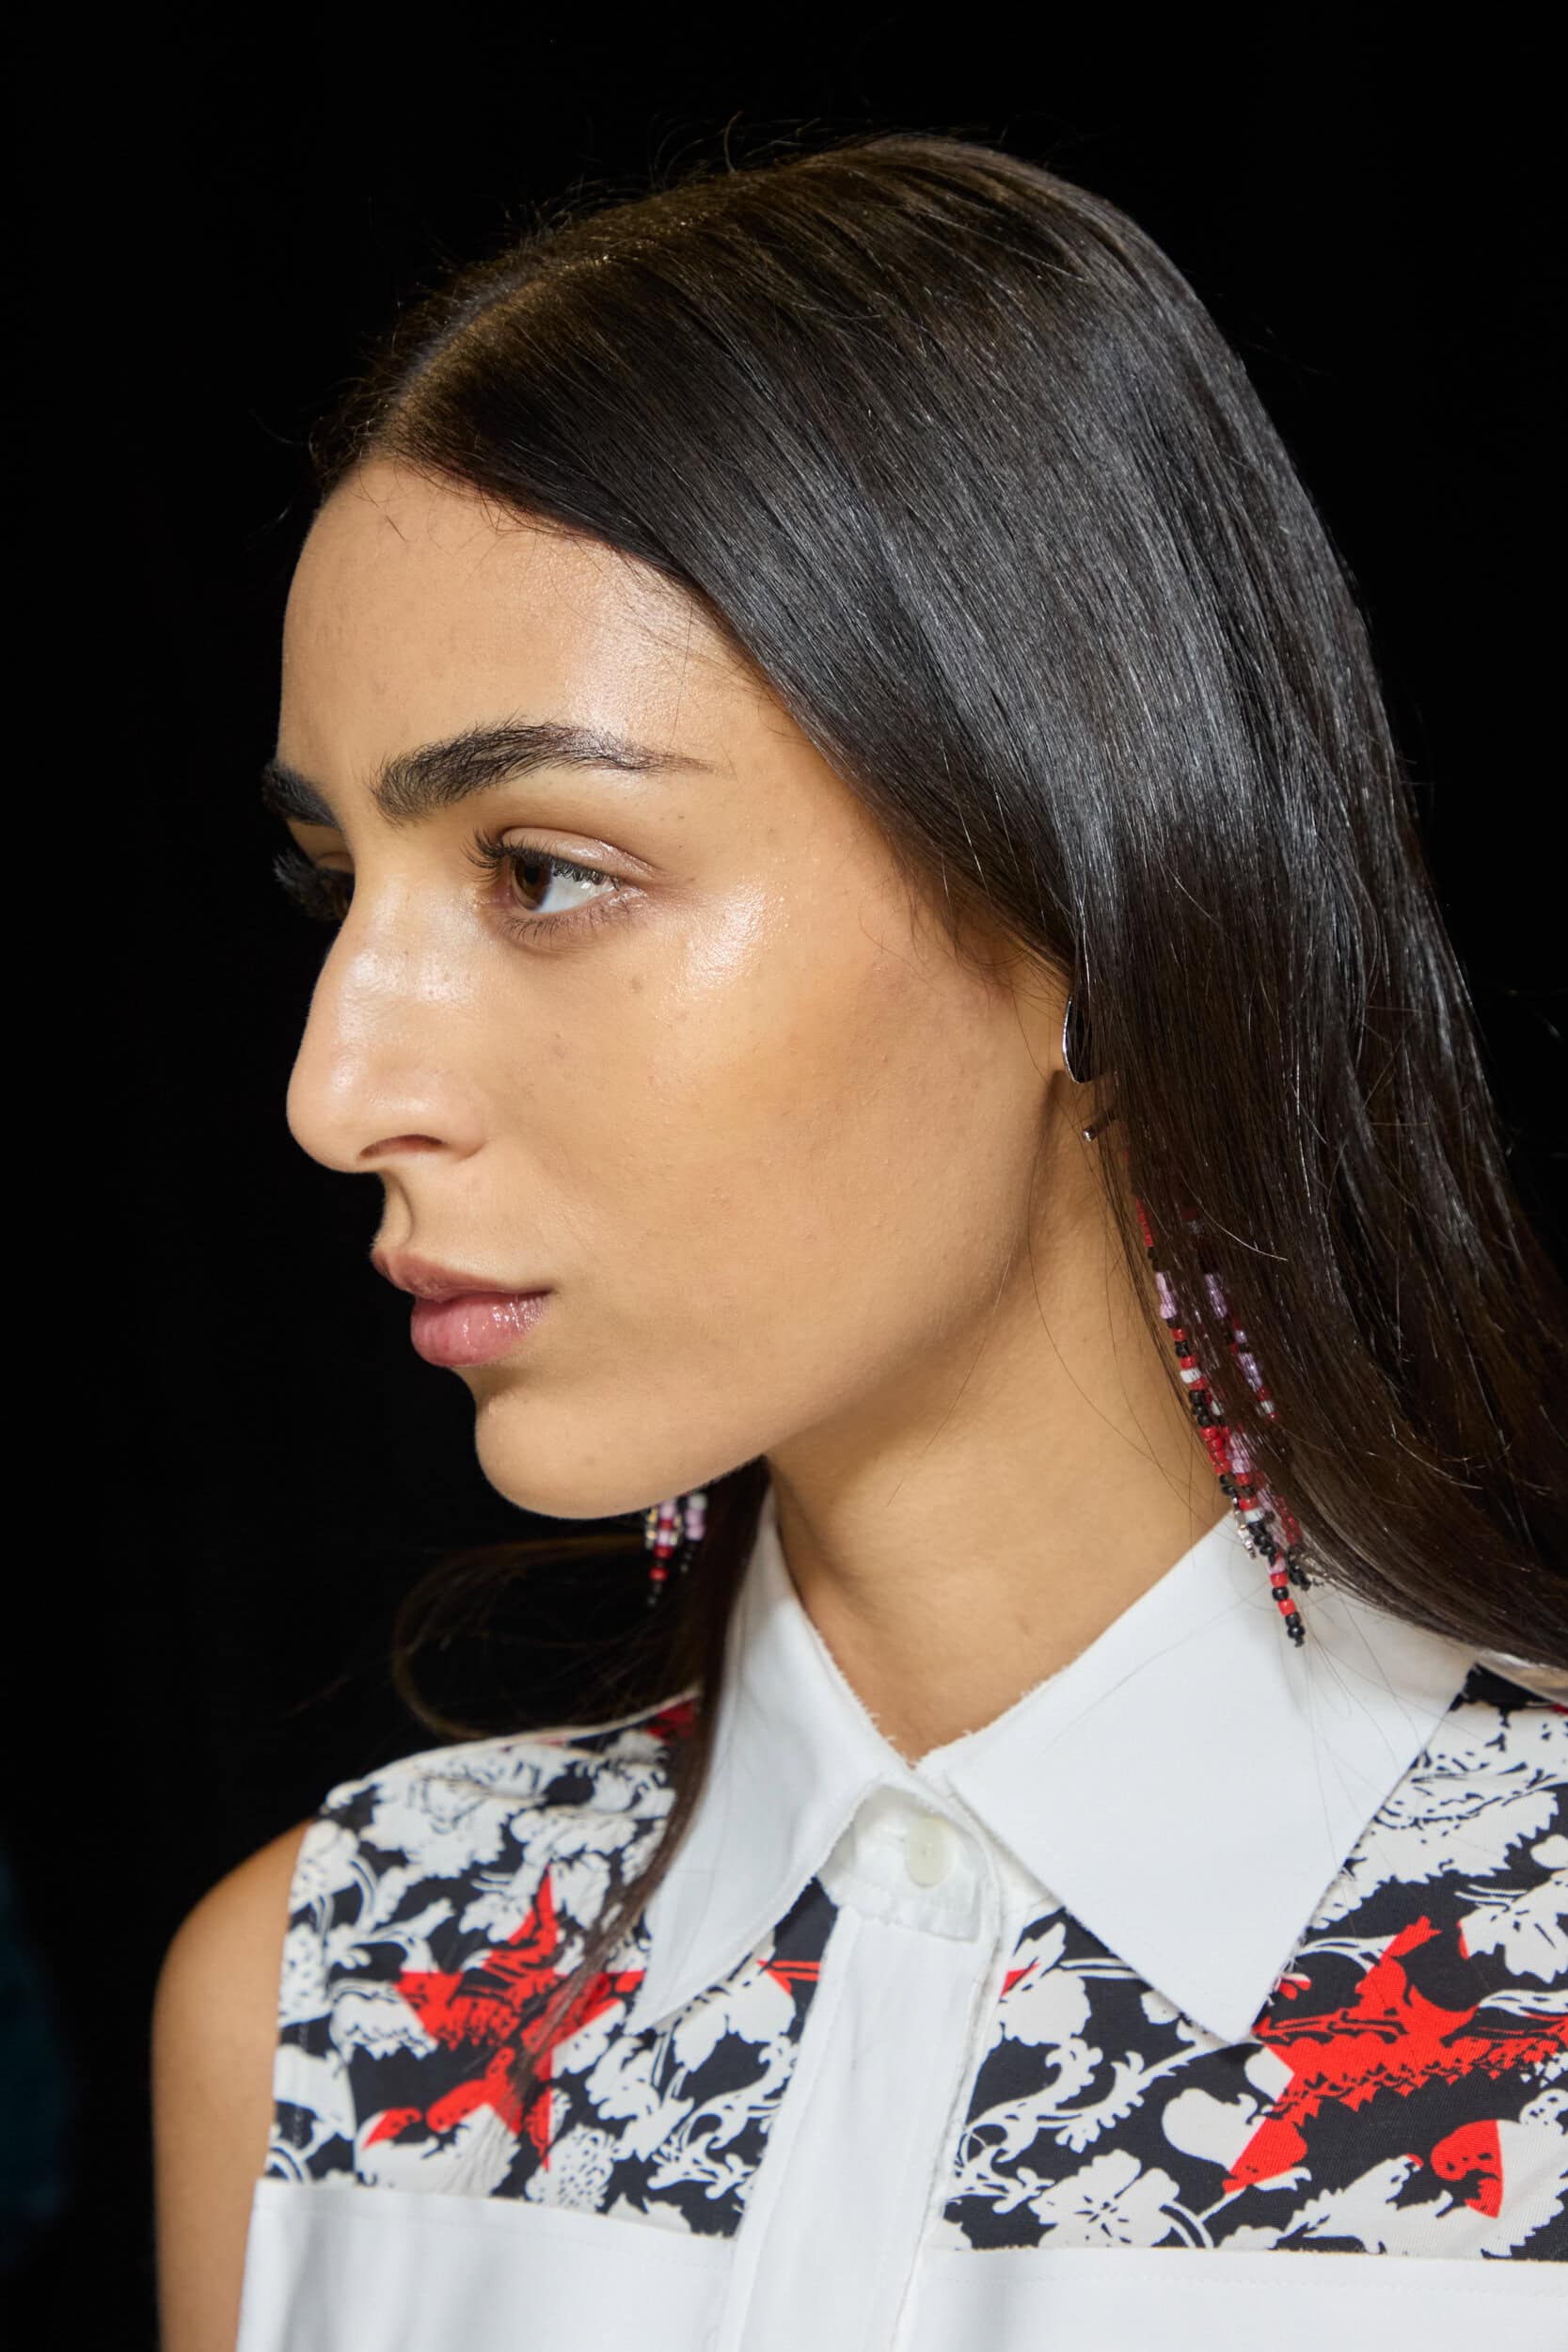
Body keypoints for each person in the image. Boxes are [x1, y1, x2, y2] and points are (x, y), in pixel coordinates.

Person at [150, 129, 1568, 2351]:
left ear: (1090, 893)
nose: (338, 1090)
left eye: (543, 870)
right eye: (339, 889)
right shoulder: (333, 2004)